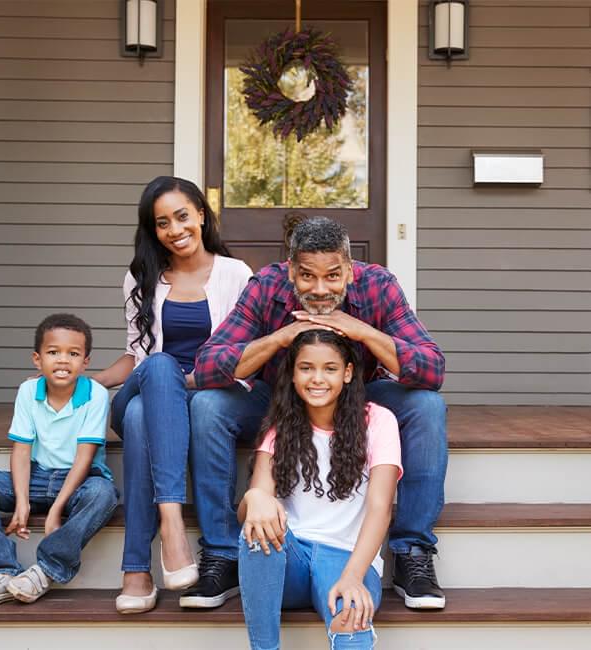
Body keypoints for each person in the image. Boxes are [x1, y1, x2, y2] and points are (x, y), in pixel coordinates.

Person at [187, 216, 447, 610]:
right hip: (280, 400)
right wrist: (278, 339)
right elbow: (207, 367)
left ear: (350, 270)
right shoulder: (266, 286)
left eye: (333, 275)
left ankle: (412, 552)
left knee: (427, 405)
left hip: (356, 401)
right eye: (307, 276)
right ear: (291, 269)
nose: (320, 289)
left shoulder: (378, 285)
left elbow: (432, 367)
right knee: (207, 405)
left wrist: (362, 331)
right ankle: (222, 554)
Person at [92, 176, 252, 614]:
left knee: (145, 415)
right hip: (154, 384)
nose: (175, 229)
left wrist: (191, 381)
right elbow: (136, 357)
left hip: (203, 392)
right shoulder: (140, 277)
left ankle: (136, 571)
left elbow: (246, 355)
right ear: (153, 230)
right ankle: (173, 525)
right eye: (162, 223)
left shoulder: (235, 275)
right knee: (158, 370)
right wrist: (90, 381)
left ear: (201, 214)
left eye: (182, 216)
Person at [238, 329, 402, 650]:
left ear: (348, 373)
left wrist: (354, 576)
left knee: (351, 626)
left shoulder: (379, 421)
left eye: (330, 368)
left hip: (347, 560)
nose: (317, 378)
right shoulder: (280, 429)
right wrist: (254, 496)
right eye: (306, 368)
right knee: (256, 531)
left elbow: (381, 508)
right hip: (291, 560)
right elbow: (251, 511)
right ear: (293, 375)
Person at [0, 313, 118, 607]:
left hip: (79, 479)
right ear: (37, 359)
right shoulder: (29, 390)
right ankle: (1, 571)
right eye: (53, 352)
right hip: (37, 476)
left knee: (103, 494)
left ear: (86, 362)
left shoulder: (95, 394)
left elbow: (85, 456)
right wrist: (22, 502)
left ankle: (46, 569)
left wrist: (56, 510)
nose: (63, 360)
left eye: (73, 353)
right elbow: (20, 450)